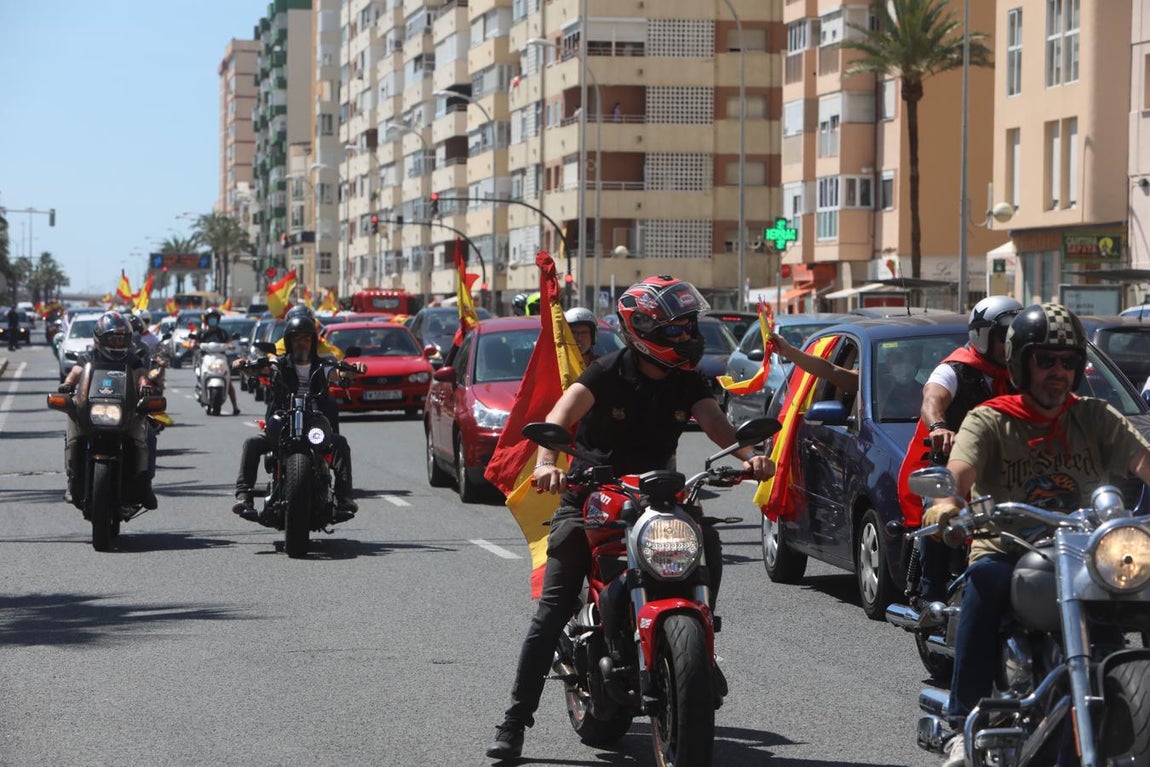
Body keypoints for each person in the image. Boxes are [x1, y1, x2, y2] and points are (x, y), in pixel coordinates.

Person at [486, 276, 775, 760]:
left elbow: (719, 427)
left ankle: (699, 642)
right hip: (590, 495)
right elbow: (558, 420)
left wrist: (752, 456)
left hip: (658, 496)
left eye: (688, 327)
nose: (686, 337)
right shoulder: (605, 373)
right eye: (676, 329)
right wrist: (544, 467)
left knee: (706, 538)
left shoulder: (687, 380)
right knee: (554, 606)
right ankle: (515, 721)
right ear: (643, 329)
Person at [921, 303, 1150, 767]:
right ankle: (962, 723)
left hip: (1087, 553)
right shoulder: (989, 419)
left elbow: (1144, 462)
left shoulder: (1096, 417)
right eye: (1046, 360)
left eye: (1068, 361)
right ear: (1022, 363)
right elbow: (958, 476)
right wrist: (946, 508)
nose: (1058, 372)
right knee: (984, 584)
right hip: (1009, 547)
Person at [907, 296, 1022, 602]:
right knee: (939, 513)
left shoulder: (1022, 372)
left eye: (1014, 337)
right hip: (954, 470)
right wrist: (939, 427)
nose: (1009, 344)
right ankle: (932, 595)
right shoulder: (955, 368)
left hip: (1009, 471)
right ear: (983, 336)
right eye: (1003, 337)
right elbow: (932, 399)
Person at [232, 314, 364, 520]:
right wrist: (243, 365)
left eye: (306, 338)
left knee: (340, 443)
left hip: (313, 421)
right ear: (289, 341)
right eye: (296, 338)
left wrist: (351, 372)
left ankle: (345, 497)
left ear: (313, 341)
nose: (301, 342)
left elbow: (339, 375)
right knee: (252, 443)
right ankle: (243, 496)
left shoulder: (323, 365)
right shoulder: (278, 364)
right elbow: (260, 368)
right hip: (284, 420)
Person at [60, 311, 161, 510]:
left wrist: (145, 385)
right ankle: (73, 481)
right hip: (92, 409)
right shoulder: (89, 356)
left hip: (125, 409)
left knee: (149, 434)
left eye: (120, 339)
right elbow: (76, 372)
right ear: (100, 339)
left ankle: (145, 485)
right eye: (113, 339)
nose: (117, 343)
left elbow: (141, 374)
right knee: (71, 430)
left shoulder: (131, 358)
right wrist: (67, 384)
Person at [192, 307, 241, 415]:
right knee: (199, 375)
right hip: (205, 360)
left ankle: (235, 406)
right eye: (210, 318)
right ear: (206, 320)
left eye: (214, 318)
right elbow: (194, 343)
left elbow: (229, 342)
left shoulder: (222, 333)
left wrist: (230, 345)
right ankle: (201, 392)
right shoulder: (202, 333)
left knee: (229, 382)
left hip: (220, 359)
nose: (212, 321)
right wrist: (194, 344)